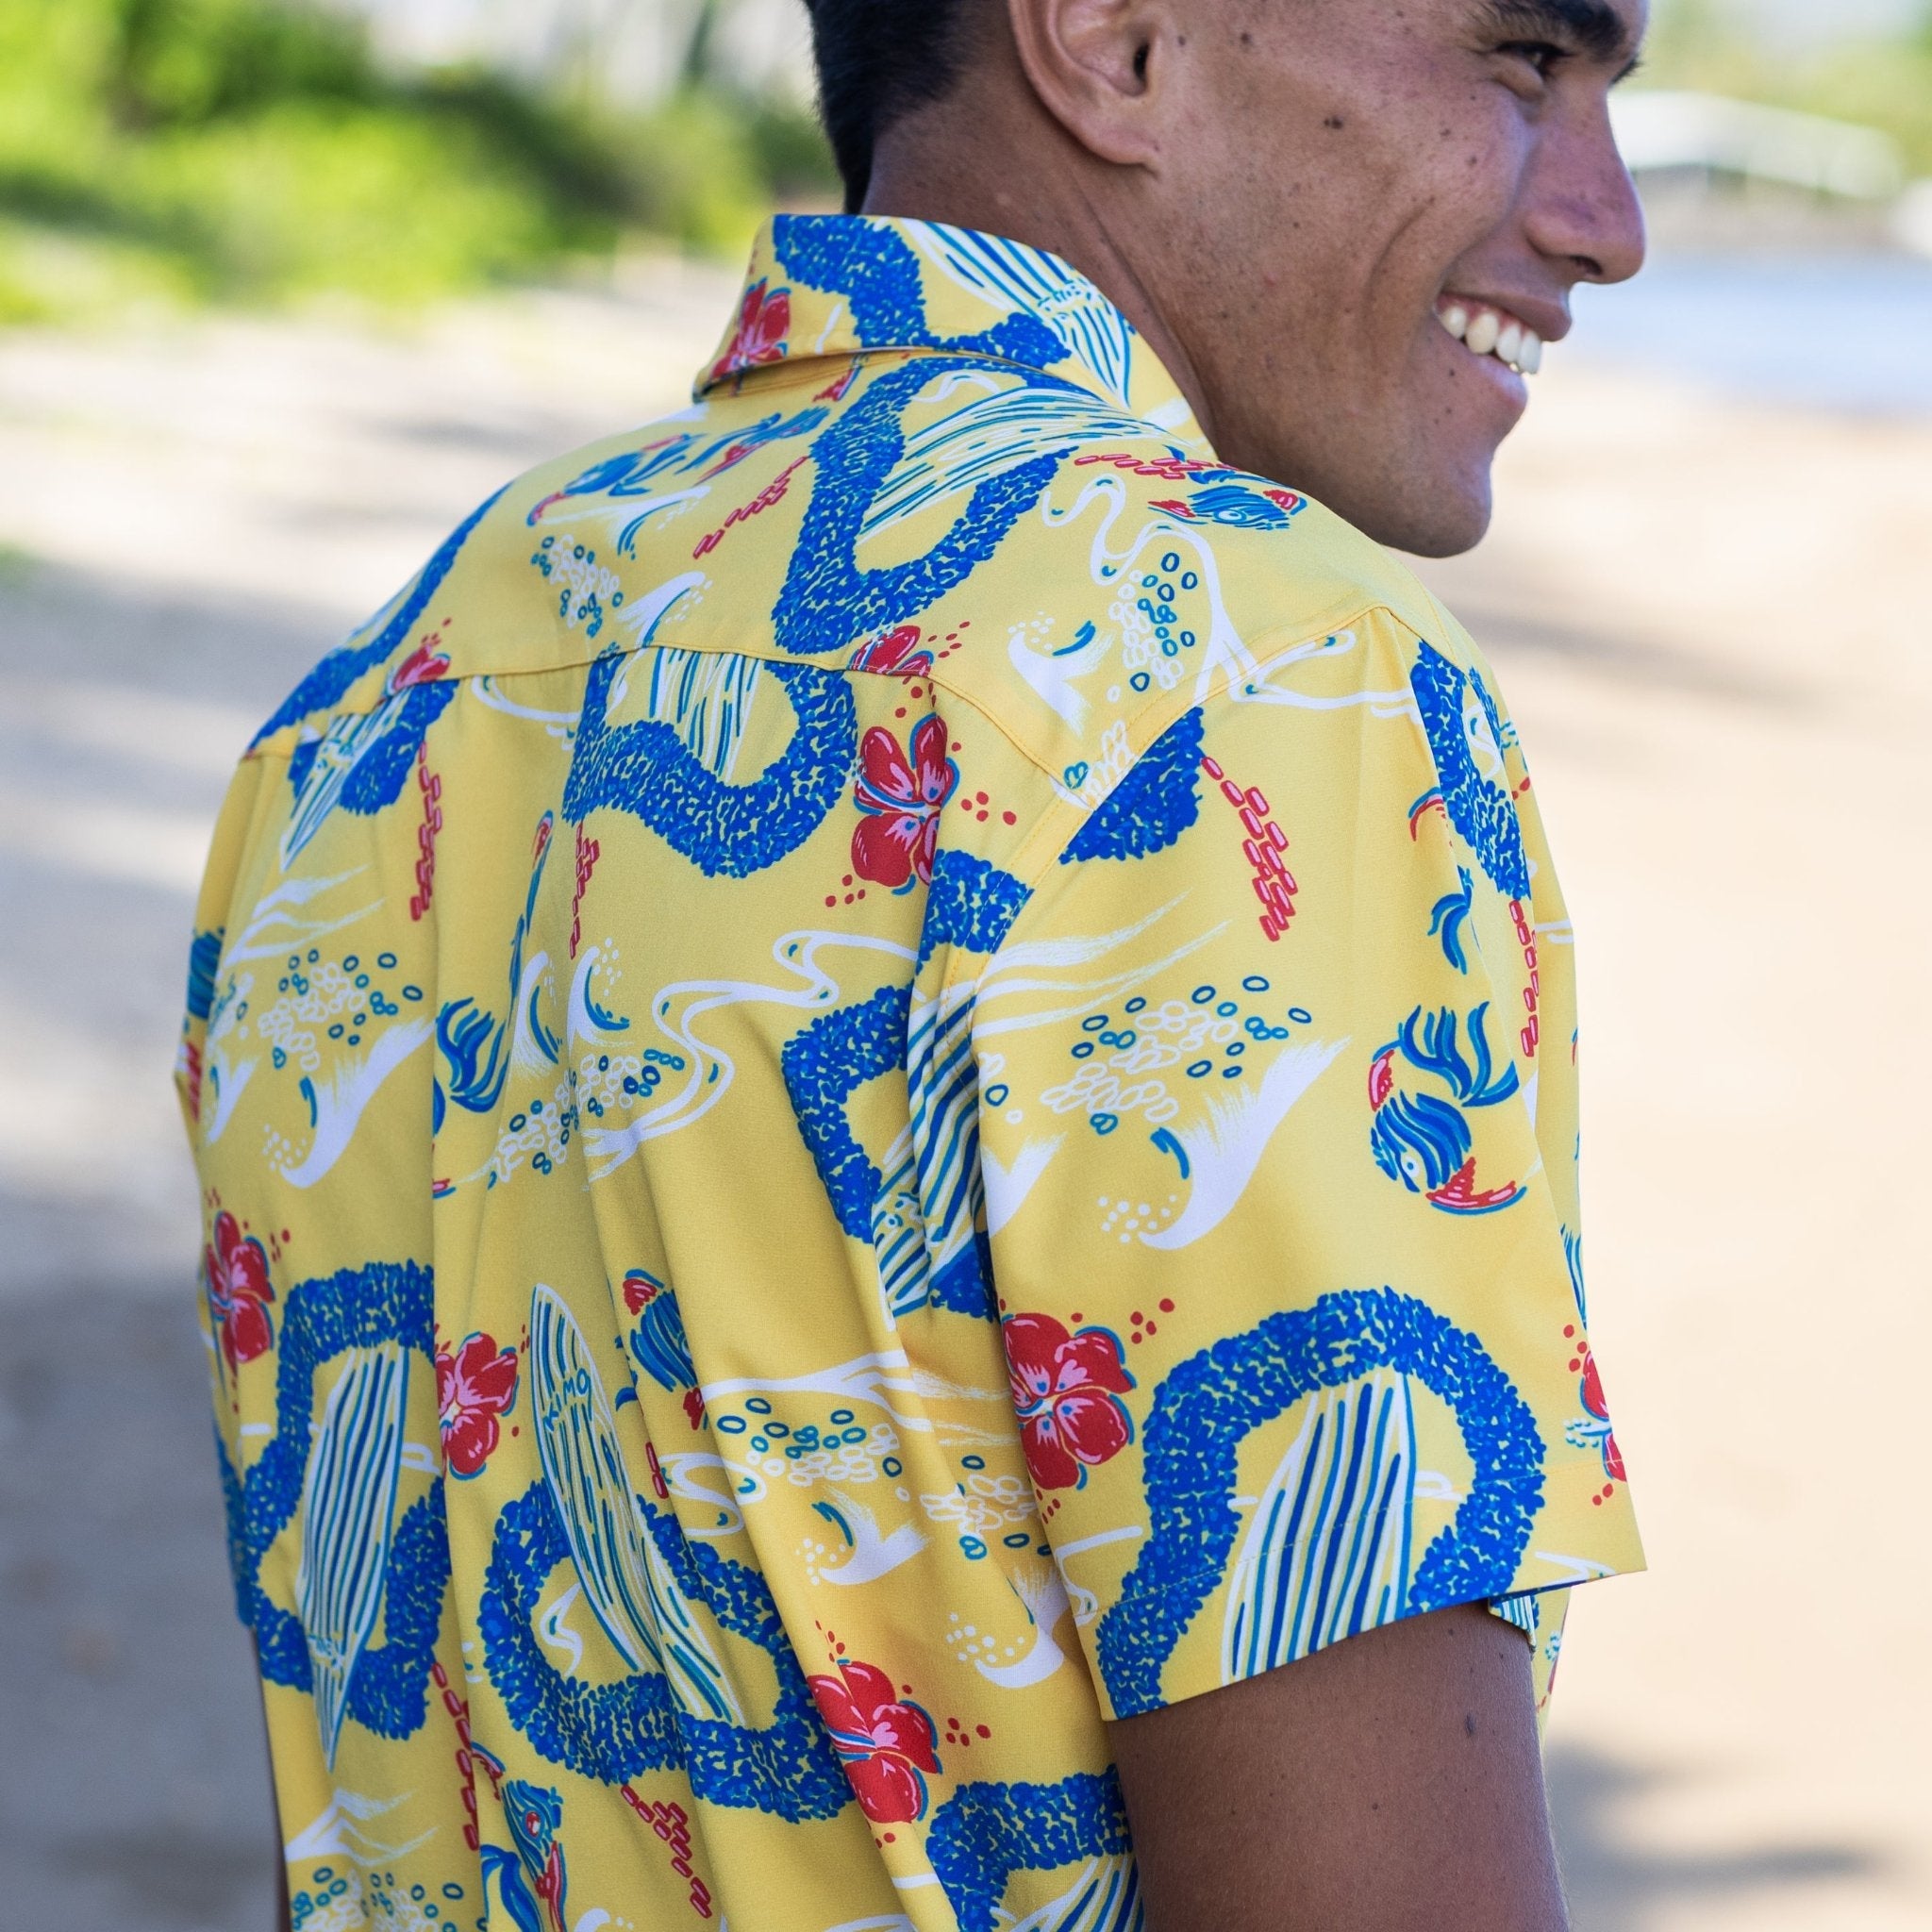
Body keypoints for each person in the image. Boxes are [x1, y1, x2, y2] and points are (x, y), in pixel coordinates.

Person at [175, 0, 1650, 1924]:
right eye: (1520, 62)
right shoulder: (1222, 660)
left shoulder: (401, 684)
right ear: (1113, 39)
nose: (1608, 220)